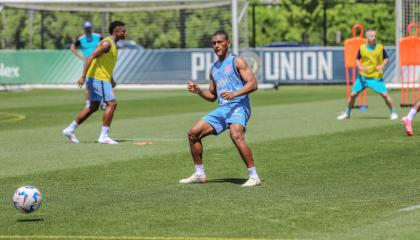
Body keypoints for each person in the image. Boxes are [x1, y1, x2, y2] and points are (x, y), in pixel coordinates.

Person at [179, 30, 261, 187]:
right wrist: (198, 91)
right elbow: (212, 96)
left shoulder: (237, 61)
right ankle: (199, 174)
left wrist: (235, 94)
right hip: (223, 109)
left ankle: (254, 176)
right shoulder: (214, 69)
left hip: (239, 106)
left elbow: (253, 84)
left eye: (220, 42)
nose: (216, 46)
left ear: (228, 43)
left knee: (236, 134)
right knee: (193, 133)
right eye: (214, 43)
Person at [62, 21, 127, 144]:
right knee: (111, 104)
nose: (126, 33)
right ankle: (104, 136)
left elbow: (105, 64)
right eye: (123, 30)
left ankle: (69, 130)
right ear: (116, 31)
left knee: (93, 106)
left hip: (99, 78)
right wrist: (82, 76)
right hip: (98, 78)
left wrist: (111, 78)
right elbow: (90, 57)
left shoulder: (113, 44)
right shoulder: (107, 43)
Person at [337, 30, 398, 120]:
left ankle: (393, 112)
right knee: (353, 94)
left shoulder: (380, 47)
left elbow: (386, 59)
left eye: (375, 36)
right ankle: (347, 113)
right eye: (372, 36)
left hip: (376, 77)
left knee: (385, 95)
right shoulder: (362, 48)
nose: (374, 38)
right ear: (367, 38)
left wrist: (382, 65)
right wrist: (360, 67)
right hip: (363, 77)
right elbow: (357, 59)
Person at [70, 21, 106, 109]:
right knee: (88, 84)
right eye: (86, 28)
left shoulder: (97, 36)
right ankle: (88, 103)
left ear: (91, 28)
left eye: (89, 28)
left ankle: (102, 102)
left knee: (102, 82)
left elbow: (106, 44)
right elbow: (72, 48)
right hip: (88, 63)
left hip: (98, 62)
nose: (88, 30)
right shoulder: (81, 38)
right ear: (84, 29)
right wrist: (82, 57)